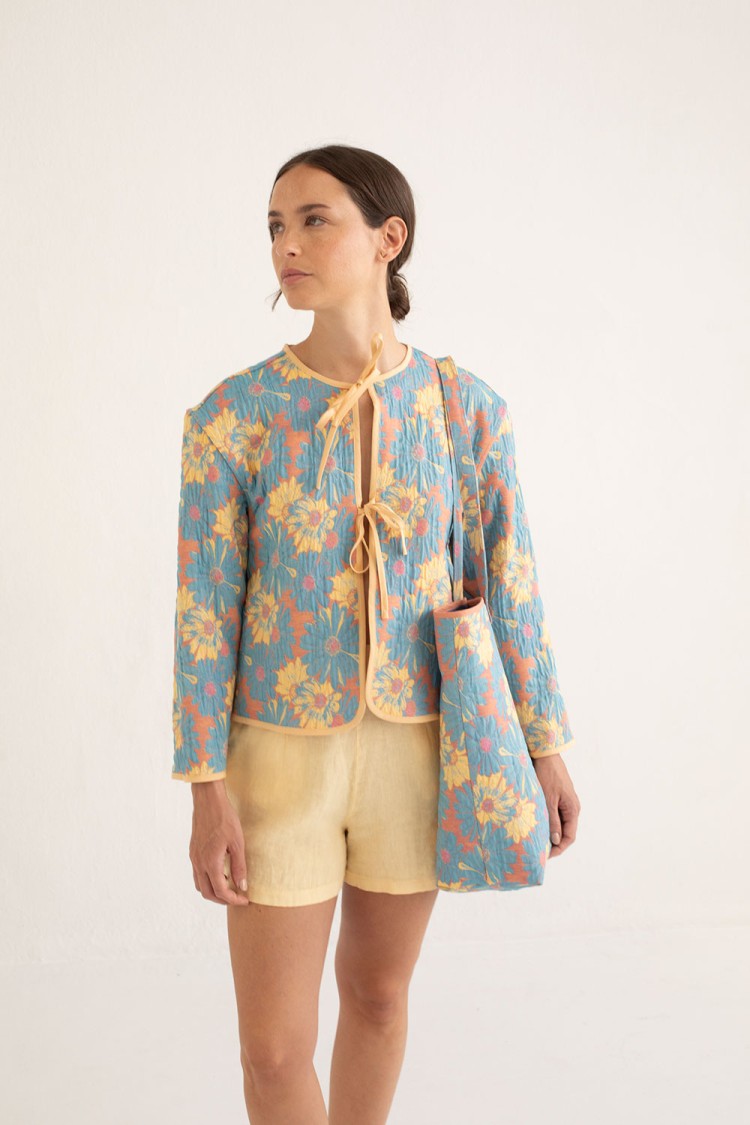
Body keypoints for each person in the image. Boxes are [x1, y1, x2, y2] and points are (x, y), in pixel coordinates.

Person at [171, 143, 581, 1123]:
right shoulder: (233, 418)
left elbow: (511, 586)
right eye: (276, 225)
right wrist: (204, 785)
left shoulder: (465, 409)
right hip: (275, 761)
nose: (287, 244)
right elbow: (202, 610)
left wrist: (546, 747)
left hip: (419, 748)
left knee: (380, 997)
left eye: (314, 220)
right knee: (273, 1050)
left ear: (388, 238)